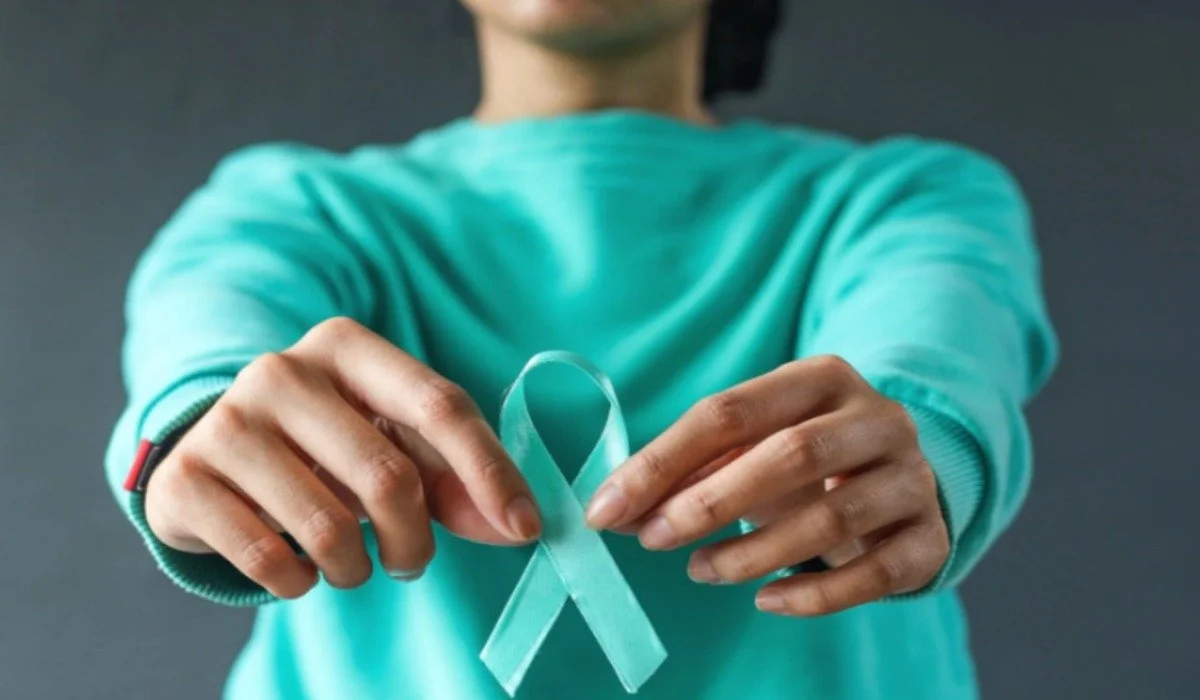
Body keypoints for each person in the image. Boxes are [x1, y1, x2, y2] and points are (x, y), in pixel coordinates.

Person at [104, 1, 1058, 698]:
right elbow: (208, 338)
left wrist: (918, 463)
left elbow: (939, 363)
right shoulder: (287, 207)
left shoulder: (911, 197)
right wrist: (196, 435)